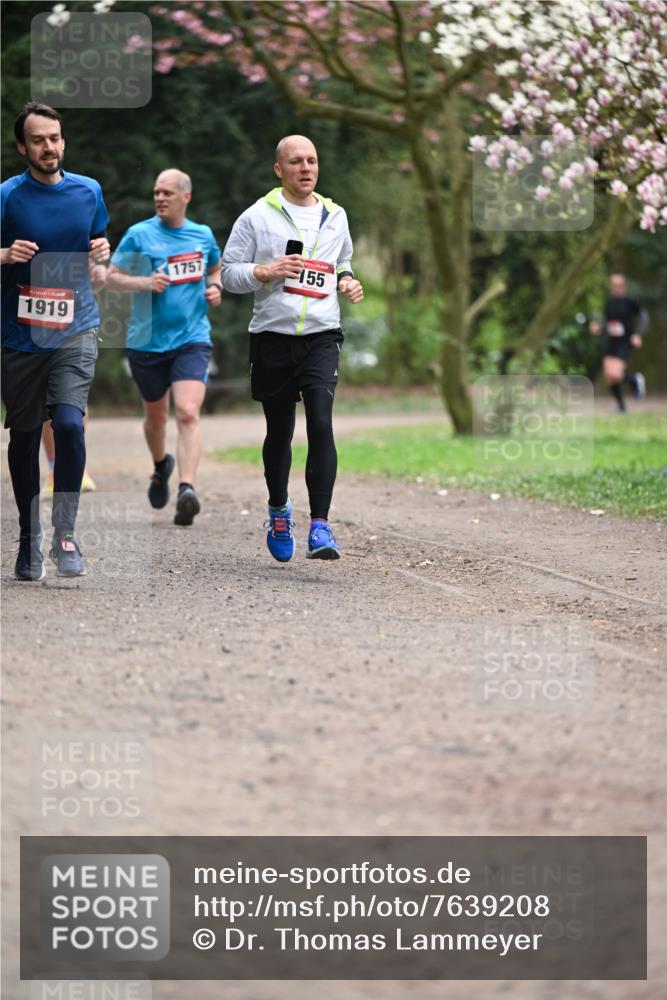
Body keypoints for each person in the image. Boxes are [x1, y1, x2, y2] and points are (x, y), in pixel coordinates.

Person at [222, 134, 364, 561]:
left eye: (312, 161)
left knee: (321, 422)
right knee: (279, 430)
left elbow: (344, 261)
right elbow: (228, 274)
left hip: (322, 334)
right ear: (279, 169)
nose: (306, 168)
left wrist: (347, 280)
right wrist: (264, 271)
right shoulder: (256, 216)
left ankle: (320, 526)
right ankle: (280, 509)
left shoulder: (336, 215)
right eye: (296, 162)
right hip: (272, 336)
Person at [1, 102, 110, 580]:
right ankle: (29, 537)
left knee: (68, 424)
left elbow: (98, 244)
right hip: (19, 337)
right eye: (40, 140)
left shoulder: (89, 192)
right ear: (23, 146)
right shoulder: (6, 196)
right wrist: (5, 254)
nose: (50, 147)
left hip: (75, 327)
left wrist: (103, 252)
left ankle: (65, 534)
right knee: (24, 435)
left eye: (56, 138)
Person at [105, 169, 222, 526]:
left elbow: (215, 269)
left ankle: (187, 489)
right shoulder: (139, 235)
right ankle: (161, 467)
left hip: (192, 338)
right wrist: (143, 280)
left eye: (167, 193)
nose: (159, 198)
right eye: (156, 192)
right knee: (155, 420)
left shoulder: (202, 235)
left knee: (187, 412)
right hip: (147, 342)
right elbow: (111, 276)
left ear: (185, 196)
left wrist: (215, 287)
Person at [589, 273, 648, 413]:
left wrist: (638, 334)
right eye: (613, 286)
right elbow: (607, 321)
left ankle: (634, 379)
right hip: (611, 342)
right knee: (609, 376)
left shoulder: (629, 302)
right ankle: (622, 407)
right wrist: (599, 327)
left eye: (619, 286)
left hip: (625, 342)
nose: (616, 288)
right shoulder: (609, 302)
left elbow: (644, 316)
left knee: (615, 374)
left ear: (624, 287)